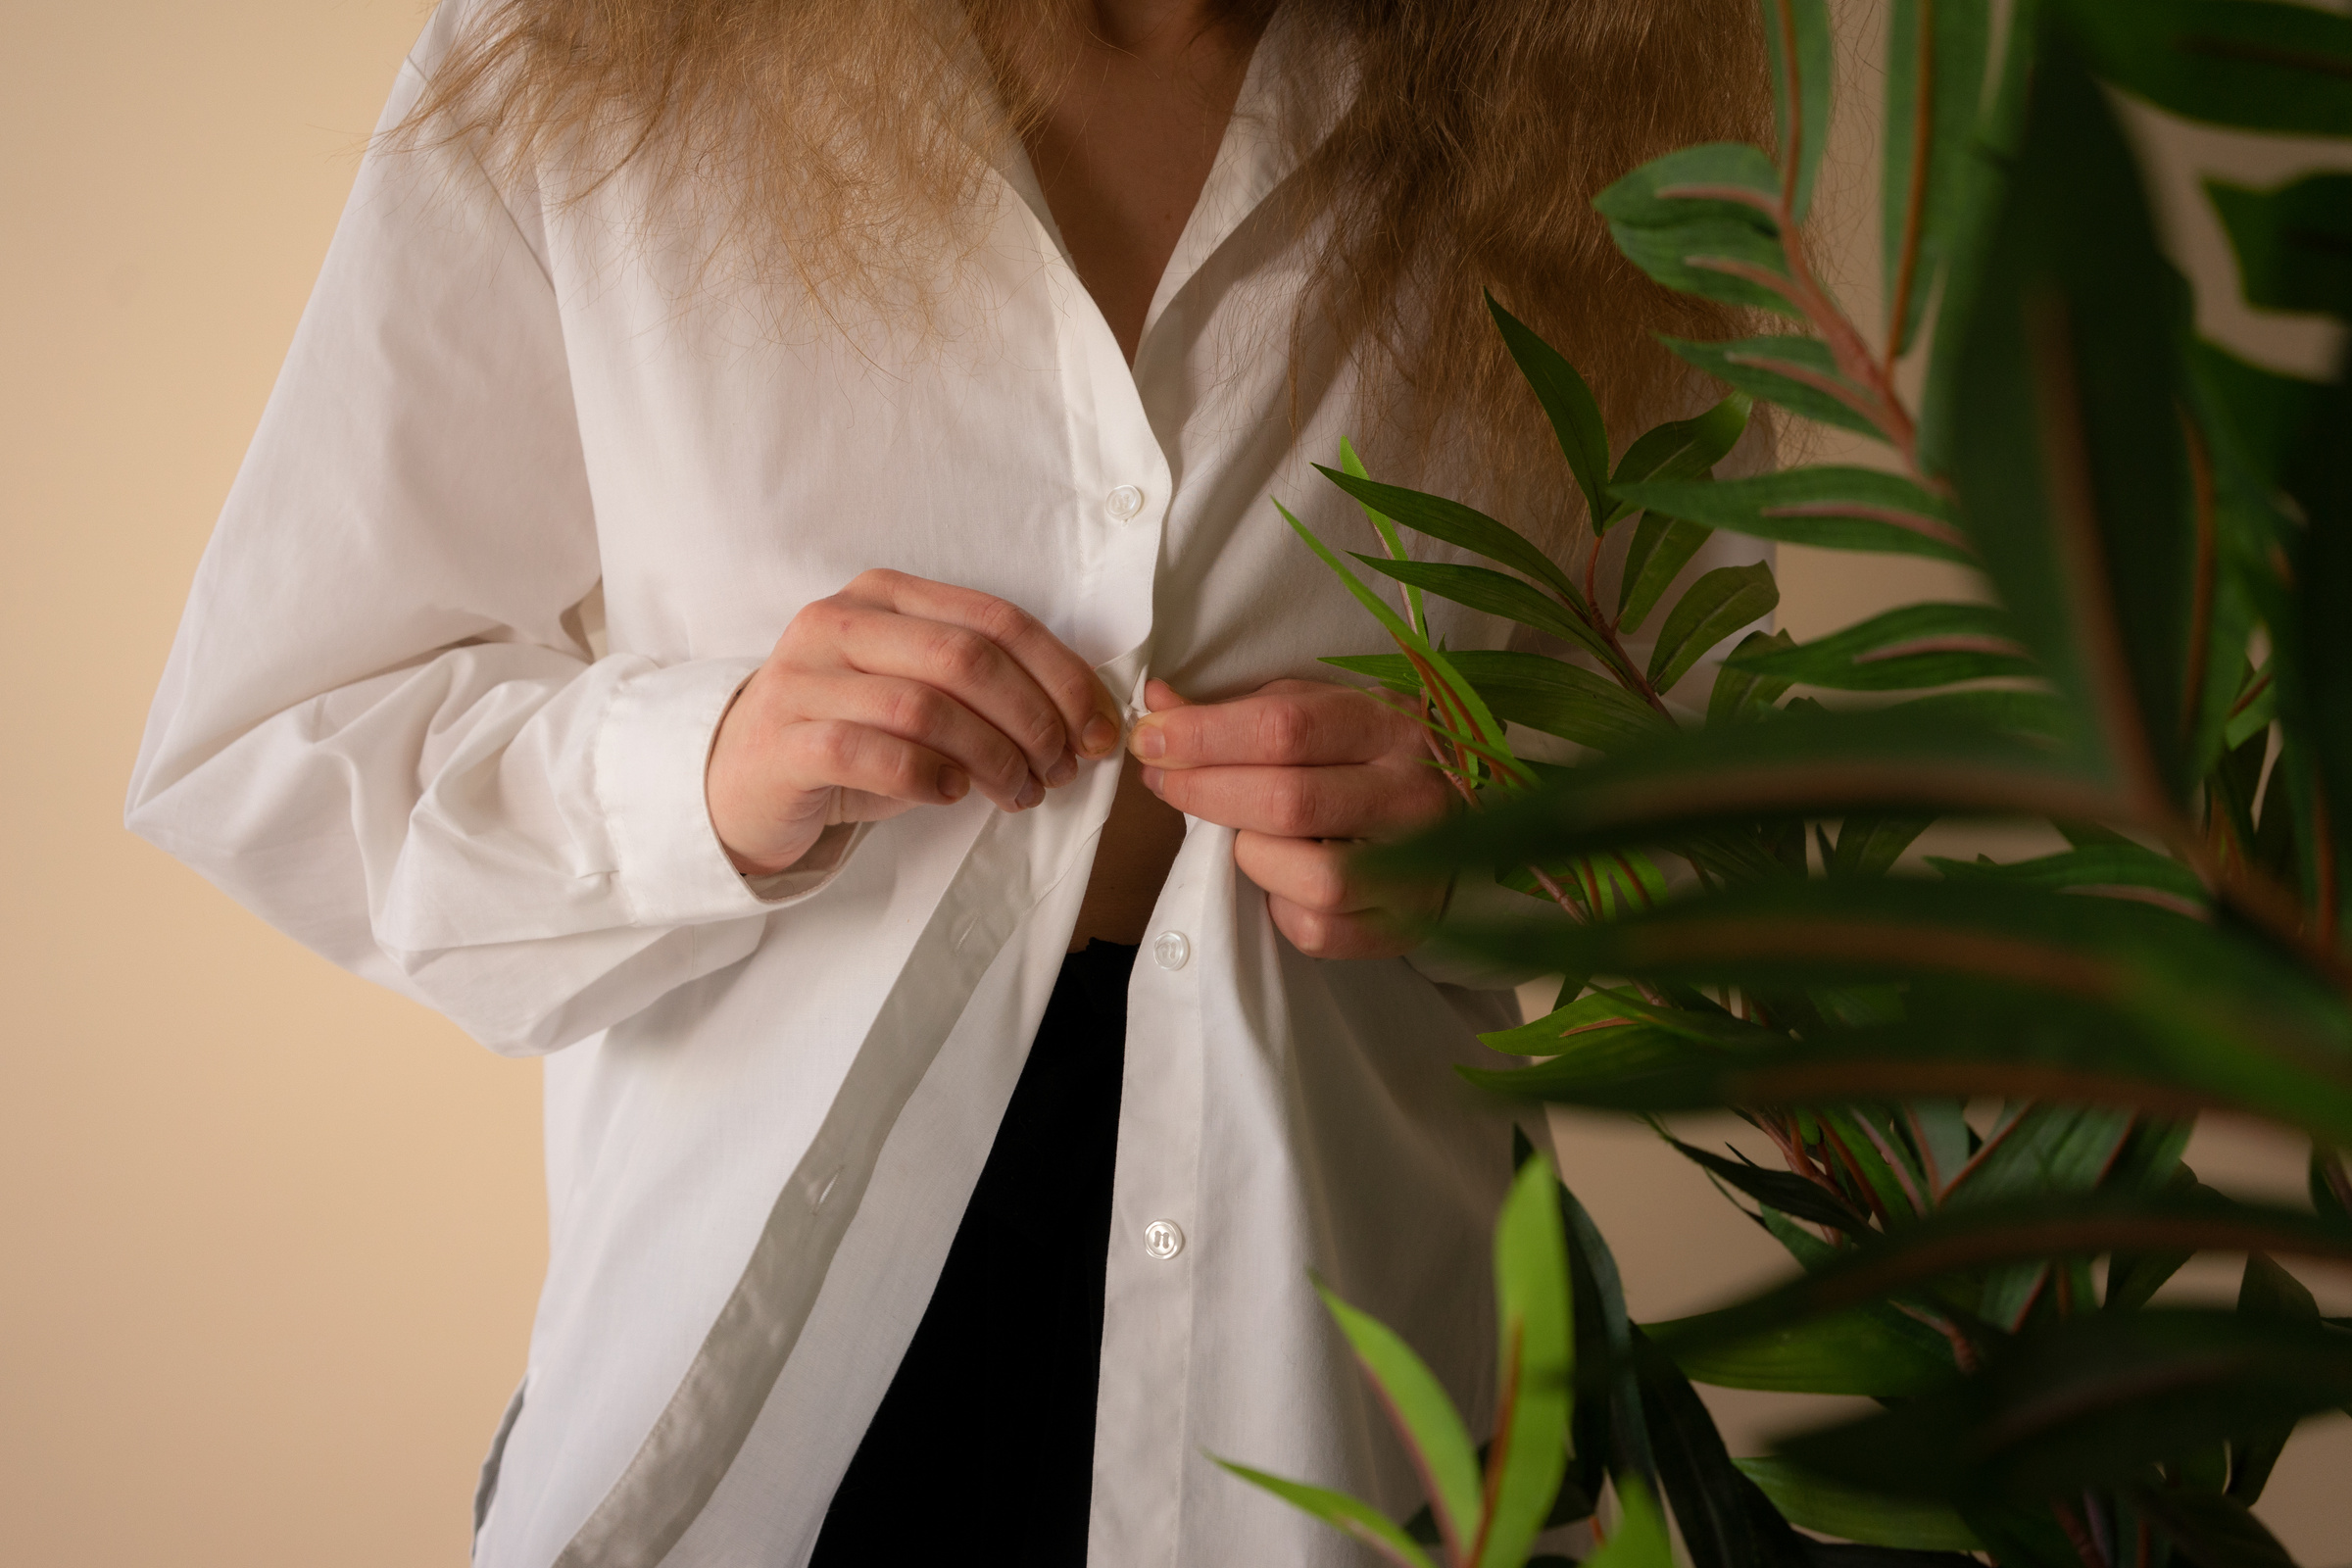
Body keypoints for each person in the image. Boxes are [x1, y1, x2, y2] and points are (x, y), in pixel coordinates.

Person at [127, 1, 1769, 1562]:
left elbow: (1739, 791)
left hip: (1346, 1378)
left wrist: (1510, 829)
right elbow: (286, 729)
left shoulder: (1615, 102)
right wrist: (706, 773)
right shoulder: (587, 49)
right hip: (757, 1379)